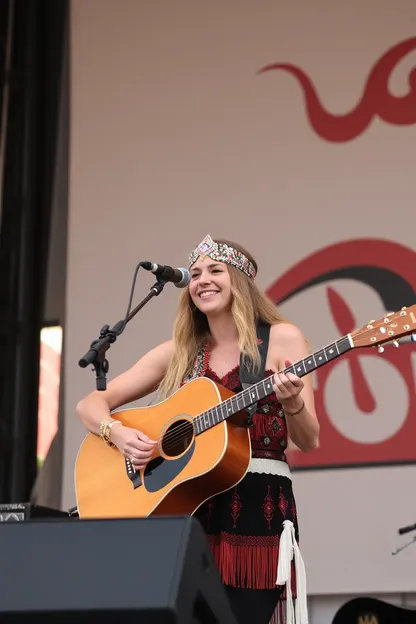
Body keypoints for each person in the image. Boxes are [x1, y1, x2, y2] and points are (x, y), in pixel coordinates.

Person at [76, 235, 319, 624]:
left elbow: (309, 440)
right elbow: (89, 405)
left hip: (258, 508)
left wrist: (292, 402)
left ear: (239, 281)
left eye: (215, 270)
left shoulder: (280, 338)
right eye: (195, 274)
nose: (202, 279)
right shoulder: (181, 350)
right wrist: (116, 434)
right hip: (189, 506)